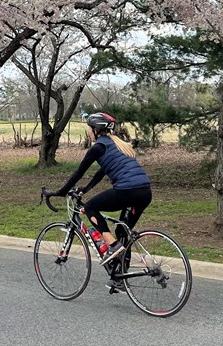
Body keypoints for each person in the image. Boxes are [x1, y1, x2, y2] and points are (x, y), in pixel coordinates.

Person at [45, 111, 152, 293]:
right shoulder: (119, 145)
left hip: (127, 191)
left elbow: (78, 172)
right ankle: (120, 278)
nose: (88, 132)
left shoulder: (98, 147)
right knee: (121, 230)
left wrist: (60, 192)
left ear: (95, 129)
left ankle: (112, 245)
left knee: (89, 208)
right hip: (144, 192)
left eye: (89, 129)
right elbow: (101, 172)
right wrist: (85, 189)